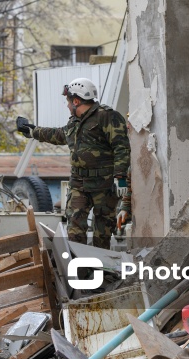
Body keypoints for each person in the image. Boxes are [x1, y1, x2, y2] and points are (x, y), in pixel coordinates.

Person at [16, 77, 130, 249]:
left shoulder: (107, 117)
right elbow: (59, 134)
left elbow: (121, 147)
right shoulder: (74, 122)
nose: (67, 106)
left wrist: (120, 177)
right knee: (75, 233)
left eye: (68, 102)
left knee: (102, 235)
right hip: (79, 185)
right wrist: (33, 131)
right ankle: (79, 273)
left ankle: (104, 275)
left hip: (104, 186)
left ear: (76, 101)